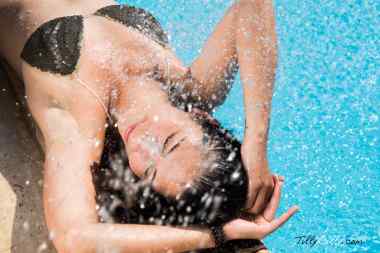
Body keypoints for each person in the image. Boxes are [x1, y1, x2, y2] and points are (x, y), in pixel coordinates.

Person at [0, 0, 299, 252]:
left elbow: (73, 237)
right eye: (171, 142)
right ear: (201, 117)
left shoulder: (80, 120)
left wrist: (217, 235)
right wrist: (256, 141)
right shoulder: (193, 90)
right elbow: (252, 6)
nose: (143, 145)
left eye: (150, 171)